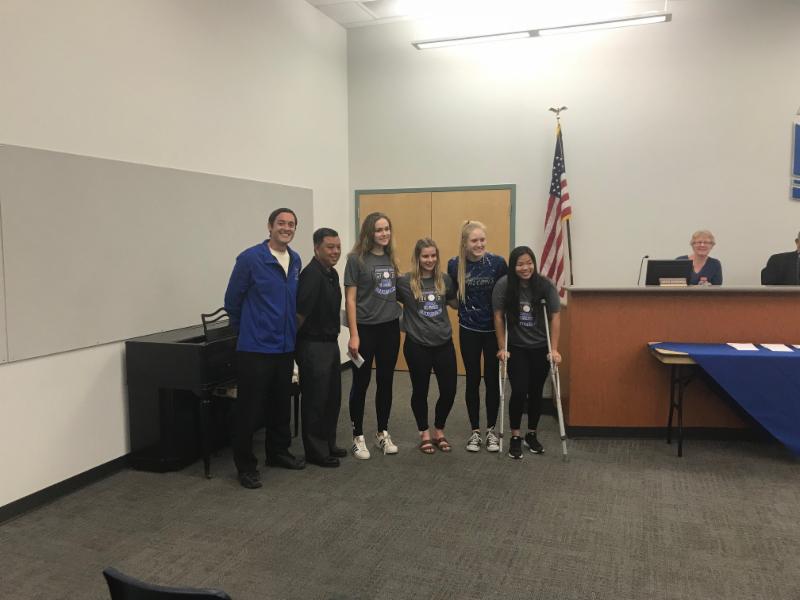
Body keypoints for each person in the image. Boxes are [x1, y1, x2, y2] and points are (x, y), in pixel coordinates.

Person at [224, 208, 304, 489]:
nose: (286, 228)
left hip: (285, 347)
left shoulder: (295, 259)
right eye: (281, 223)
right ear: (270, 226)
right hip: (255, 349)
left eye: (291, 224)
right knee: (249, 410)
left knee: (280, 405)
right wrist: (248, 329)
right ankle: (245, 466)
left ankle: (278, 453)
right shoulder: (250, 258)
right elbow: (232, 301)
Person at [492, 246, 561, 459]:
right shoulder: (504, 285)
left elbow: (555, 316)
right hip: (517, 347)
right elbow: (498, 316)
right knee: (520, 391)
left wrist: (554, 349)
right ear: (513, 266)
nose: (525, 268)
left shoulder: (545, 285)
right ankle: (515, 436)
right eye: (520, 264)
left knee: (536, 391)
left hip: (540, 346)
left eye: (529, 263)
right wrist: (502, 347)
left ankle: (531, 434)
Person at [344, 212, 402, 459]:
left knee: (386, 381)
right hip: (365, 330)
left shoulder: (391, 257)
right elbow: (350, 299)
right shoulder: (355, 260)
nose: (384, 233)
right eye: (379, 229)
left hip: (390, 328)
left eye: (387, 229)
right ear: (369, 232)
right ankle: (357, 436)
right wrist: (354, 335)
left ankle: (382, 432)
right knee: (361, 382)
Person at [447, 221, 508, 453]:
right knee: (472, 379)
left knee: (491, 379)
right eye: (474, 240)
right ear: (465, 243)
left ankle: (491, 430)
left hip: (493, 331)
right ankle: (475, 431)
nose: (479, 244)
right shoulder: (455, 264)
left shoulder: (498, 263)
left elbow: (506, 295)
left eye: (482, 239)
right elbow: (452, 297)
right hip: (469, 330)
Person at [396, 238, 458, 454]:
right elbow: (385, 299)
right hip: (417, 345)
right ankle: (424, 432)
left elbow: (455, 303)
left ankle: (439, 430)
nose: (430, 260)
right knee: (420, 390)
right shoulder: (405, 282)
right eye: (425, 256)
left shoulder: (445, 280)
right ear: (417, 257)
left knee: (449, 390)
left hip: (443, 343)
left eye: (433, 256)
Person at [296, 228, 347, 468]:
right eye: (330, 247)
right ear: (317, 248)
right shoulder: (311, 275)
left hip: (330, 343)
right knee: (316, 400)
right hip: (313, 346)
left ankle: (328, 443)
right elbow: (299, 315)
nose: (335, 251)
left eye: (338, 247)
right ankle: (316, 451)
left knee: (331, 398)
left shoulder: (331, 274)